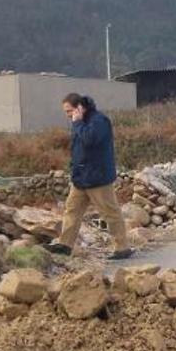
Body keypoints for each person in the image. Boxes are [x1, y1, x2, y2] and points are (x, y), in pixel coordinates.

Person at [45, 94, 131, 259]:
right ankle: (65, 245)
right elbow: (78, 148)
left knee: (110, 212)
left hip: (97, 177)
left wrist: (77, 122)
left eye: (69, 111)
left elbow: (89, 140)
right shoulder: (80, 122)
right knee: (72, 210)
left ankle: (122, 247)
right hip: (81, 178)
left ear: (79, 108)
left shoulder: (99, 121)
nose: (68, 115)